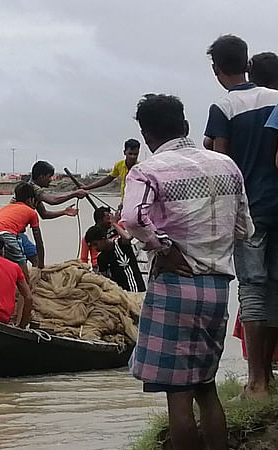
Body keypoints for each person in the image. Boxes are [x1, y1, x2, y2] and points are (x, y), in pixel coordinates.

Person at [123, 94, 253, 448]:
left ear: (146, 135)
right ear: (186, 126)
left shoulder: (147, 169)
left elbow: (133, 219)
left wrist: (162, 245)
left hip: (175, 287)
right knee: (206, 388)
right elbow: (244, 230)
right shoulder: (226, 165)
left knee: (178, 396)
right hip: (217, 288)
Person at [204, 35, 278, 400]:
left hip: (249, 211)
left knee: (251, 288)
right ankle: (269, 376)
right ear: (247, 63)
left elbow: (222, 168)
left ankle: (256, 383)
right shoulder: (277, 99)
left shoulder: (224, 106)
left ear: (216, 69)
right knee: (275, 287)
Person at [17, 161, 87, 265]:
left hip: (18, 232)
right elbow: (52, 200)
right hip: (15, 232)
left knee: (34, 257)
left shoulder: (32, 190)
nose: (51, 180)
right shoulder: (32, 188)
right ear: (41, 177)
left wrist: (64, 212)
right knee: (35, 258)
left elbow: (44, 214)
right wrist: (74, 194)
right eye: (49, 177)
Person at [0, 182, 44, 281]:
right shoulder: (31, 212)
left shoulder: (5, 208)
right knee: (21, 263)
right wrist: (41, 266)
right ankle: (28, 290)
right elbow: (38, 241)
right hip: (7, 236)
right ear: (30, 200)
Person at [84, 223, 145, 292]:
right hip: (121, 295)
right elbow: (104, 280)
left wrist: (114, 223)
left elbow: (128, 237)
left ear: (103, 238)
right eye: (92, 246)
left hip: (137, 291)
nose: (95, 248)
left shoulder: (121, 244)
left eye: (95, 244)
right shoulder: (101, 259)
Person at [80, 139, 141, 205]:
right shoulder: (119, 165)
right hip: (124, 202)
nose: (132, 157)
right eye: (130, 154)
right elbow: (108, 179)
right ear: (124, 152)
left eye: (135, 154)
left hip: (137, 203)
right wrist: (88, 187)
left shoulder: (141, 168)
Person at [79, 207, 116, 271]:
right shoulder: (89, 237)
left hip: (115, 262)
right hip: (98, 267)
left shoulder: (115, 231)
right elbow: (83, 259)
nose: (110, 221)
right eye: (108, 218)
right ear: (100, 220)